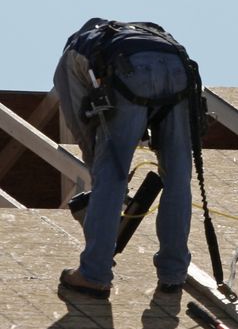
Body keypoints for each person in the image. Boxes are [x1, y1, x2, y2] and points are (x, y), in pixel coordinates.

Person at [53, 18, 196, 299]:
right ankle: (173, 274)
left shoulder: (71, 57)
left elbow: (84, 128)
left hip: (129, 71)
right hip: (179, 68)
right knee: (178, 175)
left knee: (110, 176)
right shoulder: (142, 33)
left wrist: (103, 175)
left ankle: (94, 275)